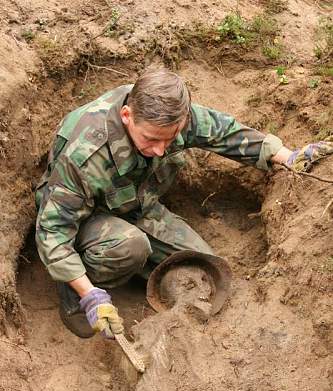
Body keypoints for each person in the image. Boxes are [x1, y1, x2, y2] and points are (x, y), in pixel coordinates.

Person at [35, 66, 329, 339]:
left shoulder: (167, 112)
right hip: (83, 218)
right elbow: (53, 233)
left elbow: (223, 132)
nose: (162, 151)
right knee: (129, 247)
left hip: (137, 206)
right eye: (151, 140)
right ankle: (75, 296)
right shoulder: (84, 154)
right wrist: (90, 296)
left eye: (170, 139)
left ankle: (139, 270)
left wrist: (288, 156)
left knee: (207, 272)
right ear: (127, 116)